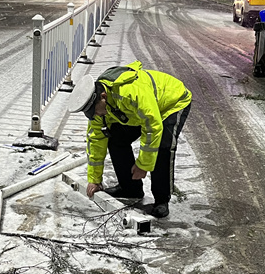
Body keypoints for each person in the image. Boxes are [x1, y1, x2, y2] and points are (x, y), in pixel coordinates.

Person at [68, 61, 192, 219]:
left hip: (171, 103)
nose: (96, 116)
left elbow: (152, 126)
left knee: (162, 147)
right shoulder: (99, 107)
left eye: (95, 112)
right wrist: (94, 179)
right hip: (139, 112)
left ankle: (162, 200)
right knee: (115, 139)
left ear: (103, 97)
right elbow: (95, 141)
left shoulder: (129, 93)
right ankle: (130, 189)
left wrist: (143, 164)